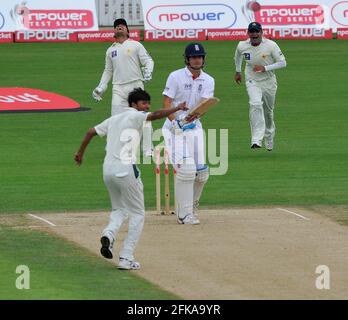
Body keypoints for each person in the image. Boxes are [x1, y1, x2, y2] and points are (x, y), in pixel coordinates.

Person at [74, 88, 187, 270]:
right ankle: (126, 257)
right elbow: (156, 115)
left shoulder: (114, 119)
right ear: (133, 104)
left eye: (148, 103)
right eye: (143, 103)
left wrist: (80, 153)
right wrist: (176, 108)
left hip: (107, 171)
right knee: (137, 214)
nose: (146, 107)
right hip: (125, 170)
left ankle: (109, 235)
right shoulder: (134, 116)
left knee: (119, 209)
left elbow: (89, 132)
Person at [162, 42, 215, 225]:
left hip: (194, 127)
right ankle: (183, 215)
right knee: (186, 169)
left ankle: (191, 207)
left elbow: (204, 106)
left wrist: (193, 118)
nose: (197, 60)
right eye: (193, 57)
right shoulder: (175, 77)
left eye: (200, 57)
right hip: (173, 127)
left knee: (202, 173)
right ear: (187, 59)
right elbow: (166, 103)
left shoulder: (208, 80)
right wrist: (175, 123)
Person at [92, 18, 154, 155]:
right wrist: (101, 87)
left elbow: (148, 61)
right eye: (116, 26)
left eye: (122, 25)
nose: (119, 27)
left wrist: (148, 70)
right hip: (118, 88)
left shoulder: (136, 45)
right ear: (114, 31)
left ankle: (148, 149)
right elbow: (108, 71)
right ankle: (115, 148)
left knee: (143, 118)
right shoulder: (110, 50)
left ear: (127, 30)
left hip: (136, 85)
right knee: (116, 120)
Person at [234, 22, 286, 151]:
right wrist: (238, 71)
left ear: (261, 32)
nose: (254, 34)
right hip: (252, 79)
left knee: (268, 112)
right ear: (248, 33)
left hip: (269, 81)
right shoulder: (242, 45)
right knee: (255, 104)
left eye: (257, 31)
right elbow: (237, 57)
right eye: (252, 32)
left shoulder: (271, 45)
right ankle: (256, 139)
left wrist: (265, 68)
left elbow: (283, 63)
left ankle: (269, 136)